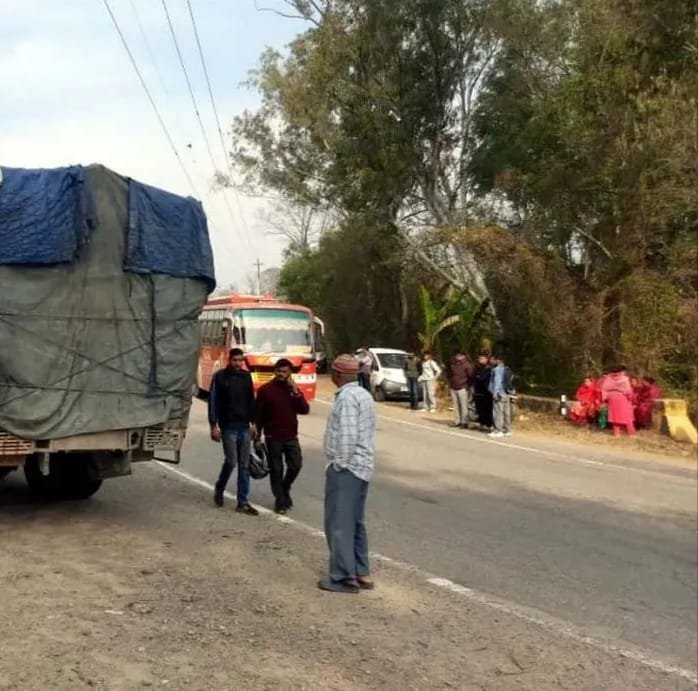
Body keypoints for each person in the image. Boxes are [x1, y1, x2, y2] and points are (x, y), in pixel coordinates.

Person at [319, 354, 377, 594]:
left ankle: (344, 576)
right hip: (363, 467)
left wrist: (338, 465)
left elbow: (348, 435)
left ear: (338, 375)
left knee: (339, 523)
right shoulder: (364, 395)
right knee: (355, 521)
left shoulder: (347, 398)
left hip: (348, 468)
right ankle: (361, 571)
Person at [255, 358, 310, 514]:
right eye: (279, 371)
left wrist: (296, 391)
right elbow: (258, 416)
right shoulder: (265, 390)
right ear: (275, 371)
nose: (281, 374)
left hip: (291, 436)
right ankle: (280, 501)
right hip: (273, 437)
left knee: (295, 465)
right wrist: (257, 437)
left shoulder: (292, 390)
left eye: (284, 372)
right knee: (276, 469)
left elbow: (305, 410)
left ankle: (284, 488)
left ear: (289, 373)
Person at [208, 348, 259, 515]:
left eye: (240, 360)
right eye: (235, 360)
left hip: (244, 426)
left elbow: (251, 401)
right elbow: (213, 402)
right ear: (229, 360)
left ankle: (242, 501)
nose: (237, 363)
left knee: (244, 465)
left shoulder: (246, 377)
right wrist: (213, 426)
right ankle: (220, 487)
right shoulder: (220, 377)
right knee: (231, 461)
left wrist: (254, 423)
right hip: (228, 426)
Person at [601, 365, 635, 436]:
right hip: (622, 397)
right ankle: (631, 433)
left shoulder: (608, 378)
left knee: (615, 416)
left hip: (612, 397)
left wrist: (605, 399)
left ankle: (617, 433)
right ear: (621, 371)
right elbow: (628, 390)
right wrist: (630, 397)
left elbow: (604, 388)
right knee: (627, 415)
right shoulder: (624, 379)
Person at [488, 354, 513, 437]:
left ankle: (498, 430)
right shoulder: (507, 369)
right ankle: (507, 429)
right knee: (506, 412)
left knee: (497, 412)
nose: (492, 361)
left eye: (493, 359)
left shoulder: (497, 370)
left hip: (499, 393)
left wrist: (495, 393)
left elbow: (497, 382)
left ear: (498, 361)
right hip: (507, 393)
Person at [447, 351, 474, 427]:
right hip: (453, 387)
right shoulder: (453, 364)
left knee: (463, 405)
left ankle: (464, 422)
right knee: (456, 405)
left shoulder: (467, 365)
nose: (458, 357)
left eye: (460, 355)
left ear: (464, 356)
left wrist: (467, 386)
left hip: (463, 387)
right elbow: (449, 374)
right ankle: (457, 421)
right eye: (457, 355)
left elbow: (471, 377)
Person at [472, 353, 493, 430]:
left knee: (487, 409)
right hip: (477, 391)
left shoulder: (489, 368)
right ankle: (482, 424)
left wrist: (478, 376)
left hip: (486, 392)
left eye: (482, 359)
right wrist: (477, 376)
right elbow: (473, 376)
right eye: (479, 358)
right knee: (479, 409)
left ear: (486, 360)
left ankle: (488, 425)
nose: (480, 360)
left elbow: (481, 378)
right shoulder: (477, 367)